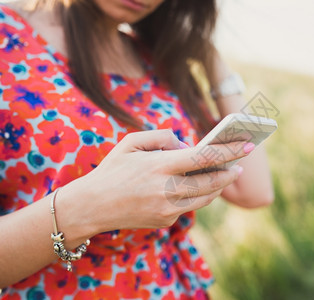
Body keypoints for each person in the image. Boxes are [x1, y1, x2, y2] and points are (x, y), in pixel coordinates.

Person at [0, 0, 274, 298]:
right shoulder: (7, 38)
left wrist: (212, 60)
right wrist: (91, 206)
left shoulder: (152, 57)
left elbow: (254, 190)